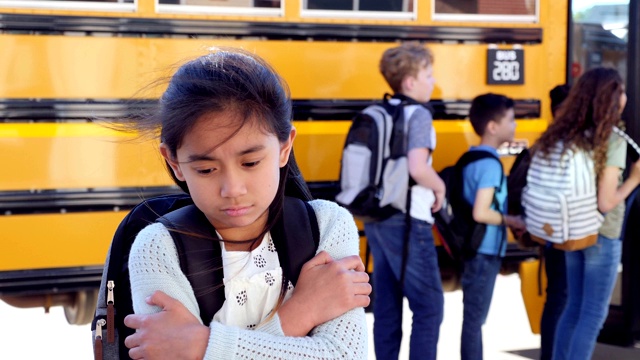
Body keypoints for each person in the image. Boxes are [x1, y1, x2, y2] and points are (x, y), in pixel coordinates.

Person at [120, 48, 372, 359]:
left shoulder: (326, 226)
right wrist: (301, 313)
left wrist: (200, 347)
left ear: (284, 147)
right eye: (206, 170)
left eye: (251, 162)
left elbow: (344, 355)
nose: (232, 189)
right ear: (174, 162)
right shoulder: (159, 247)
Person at [533, 67, 640, 360]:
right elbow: (606, 202)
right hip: (602, 233)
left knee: (573, 307)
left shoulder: (567, 135)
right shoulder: (611, 140)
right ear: (611, 98)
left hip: (571, 229)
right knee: (592, 314)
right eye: (620, 90)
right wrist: (633, 179)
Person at [364, 42, 445, 360]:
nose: (432, 81)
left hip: (377, 218)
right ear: (410, 81)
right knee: (429, 307)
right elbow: (417, 167)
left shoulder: (380, 111)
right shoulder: (418, 115)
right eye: (428, 74)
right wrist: (440, 187)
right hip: (409, 221)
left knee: (387, 305)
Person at [460, 93, 526, 360]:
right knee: (475, 321)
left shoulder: (471, 158)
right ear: (493, 127)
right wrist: (512, 220)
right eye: (511, 120)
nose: (515, 126)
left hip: (473, 248)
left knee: (472, 319)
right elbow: (481, 211)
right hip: (484, 251)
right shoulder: (489, 165)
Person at [538, 83, 570, 360]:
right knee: (562, 300)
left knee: (557, 299)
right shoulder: (568, 143)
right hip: (566, 234)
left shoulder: (546, 141)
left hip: (550, 232)